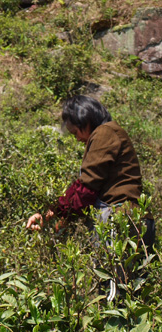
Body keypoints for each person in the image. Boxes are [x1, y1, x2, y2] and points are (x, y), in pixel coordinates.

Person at [27, 95, 155, 299]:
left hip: (118, 218)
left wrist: (53, 212)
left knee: (113, 294)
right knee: (135, 292)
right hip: (137, 219)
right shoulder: (113, 132)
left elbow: (86, 188)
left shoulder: (104, 133)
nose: (77, 138)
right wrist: (59, 216)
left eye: (75, 132)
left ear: (85, 120)